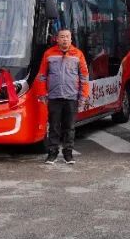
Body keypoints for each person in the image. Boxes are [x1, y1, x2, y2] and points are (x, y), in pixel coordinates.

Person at [34, 29, 90, 165]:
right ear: (57, 39)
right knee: (53, 126)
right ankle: (52, 153)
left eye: (67, 37)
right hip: (54, 97)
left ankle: (68, 154)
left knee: (69, 127)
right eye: (62, 37)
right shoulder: (49, 54)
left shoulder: (78, 54)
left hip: (72, 97)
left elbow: (84, 77)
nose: (65, 39)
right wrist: (42, 94)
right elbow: (42, 76)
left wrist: (83, 96)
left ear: (71, 39)